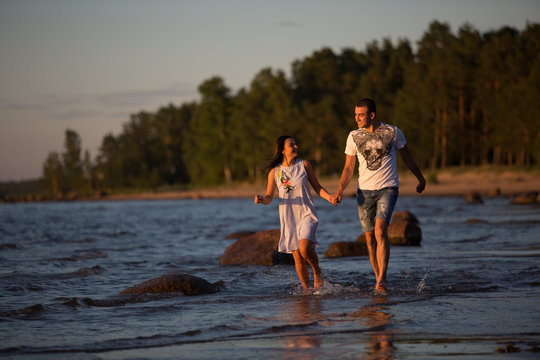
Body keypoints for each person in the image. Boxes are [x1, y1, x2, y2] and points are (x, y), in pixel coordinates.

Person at [330, 98, 426, 294]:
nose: (356, 118)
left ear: (371, 115)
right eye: (355, 114)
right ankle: (378, 278)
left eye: (360, 115)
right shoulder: (353, 136)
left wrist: (421, 178)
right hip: (364, 192)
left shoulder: (393, 132)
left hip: (388, 187)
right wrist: (340, 189)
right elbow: (348, 168)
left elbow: (407, 156)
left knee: (380, 230)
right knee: (369, 239)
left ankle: (381, 280)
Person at [255, 135, 336, 290]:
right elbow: (269, 196)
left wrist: (330, 197)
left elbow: (317, 187)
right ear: (283, 150)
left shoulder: (304, 165)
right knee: (297, 257)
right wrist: (261, 199)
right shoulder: (275, 172)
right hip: (289, 218)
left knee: (305, 248)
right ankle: (306, 291)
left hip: (306, 213)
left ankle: (317, 272)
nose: (296, 146)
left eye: (295, 144)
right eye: (292, 145)